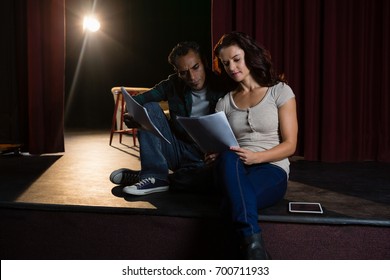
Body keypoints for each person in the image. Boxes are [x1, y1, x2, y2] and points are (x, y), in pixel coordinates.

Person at [210, 31, 298, 259]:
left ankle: (243, 255)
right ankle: (255, 252)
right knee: (228, 157)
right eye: (226, 63)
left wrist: (256, 157)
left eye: (236, 59)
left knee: (230, 205)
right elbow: (221, 143)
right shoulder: (224, 102)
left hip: (271, 169)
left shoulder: (280, 91)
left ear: (249, 55)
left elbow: (290, 145)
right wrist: (213, 154)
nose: (231, 67)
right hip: (234, 168)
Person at [109, 41, 228, 195]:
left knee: (191, 182)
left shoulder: (222, 87)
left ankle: (150, 177)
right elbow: (137, 102)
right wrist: (130, 113)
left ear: (204, 62)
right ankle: (155, 175)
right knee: (149, 108)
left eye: (195, 67)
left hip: (205, 157)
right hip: (178, 149)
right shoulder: (173, 84)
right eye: (183, 72)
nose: (192, 77)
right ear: (177, 72)